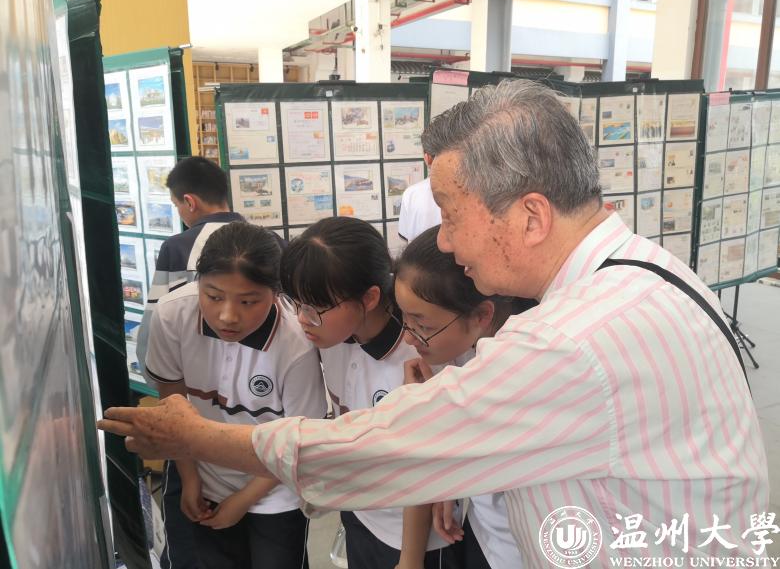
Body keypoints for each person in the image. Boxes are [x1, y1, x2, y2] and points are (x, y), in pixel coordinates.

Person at [100, 80, 769, 565]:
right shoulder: (647, 269)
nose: (443, 241)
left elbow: (380, 449)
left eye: (450, 214)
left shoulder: (572, 339)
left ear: (531, 216)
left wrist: (197, 437)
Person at [276, 216, 459, 569]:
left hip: (416, 537)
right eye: (296, 303)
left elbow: (420, 468)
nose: (301, 318)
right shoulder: (332, 338)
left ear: (370, 297)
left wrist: (410, 558)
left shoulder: (419, 357)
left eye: (314, 308)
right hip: (361, 512)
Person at [145, 221, 325, 569]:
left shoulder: (296, 342)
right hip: (198, 471)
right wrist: (190, 479)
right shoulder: (173, 315)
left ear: (276, 293)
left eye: (248, 301)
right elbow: (173, 407)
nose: (228, 315)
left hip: (274, 488)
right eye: (213, 297)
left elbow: (297, 441)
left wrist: (243, 500)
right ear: (198, 281)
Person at [394, 225, 535, 569]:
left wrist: (429, 411)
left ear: (482, 316)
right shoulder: (460, 352)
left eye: (423, 326)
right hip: (482, 534)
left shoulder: (523, 377)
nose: (409, 338)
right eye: (404, 319)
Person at [135, 155, 244, 569]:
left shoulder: (177, 247)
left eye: (177, 205)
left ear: (190, 202)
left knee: (192, 534)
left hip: (194, 411)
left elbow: (152, 335)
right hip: (256, 418)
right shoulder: (266, 242)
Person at [397, 153, 441, 242]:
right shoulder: (466, 190)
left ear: (427, 158)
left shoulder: (411, 193)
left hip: (418, 250)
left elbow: (404, 235)